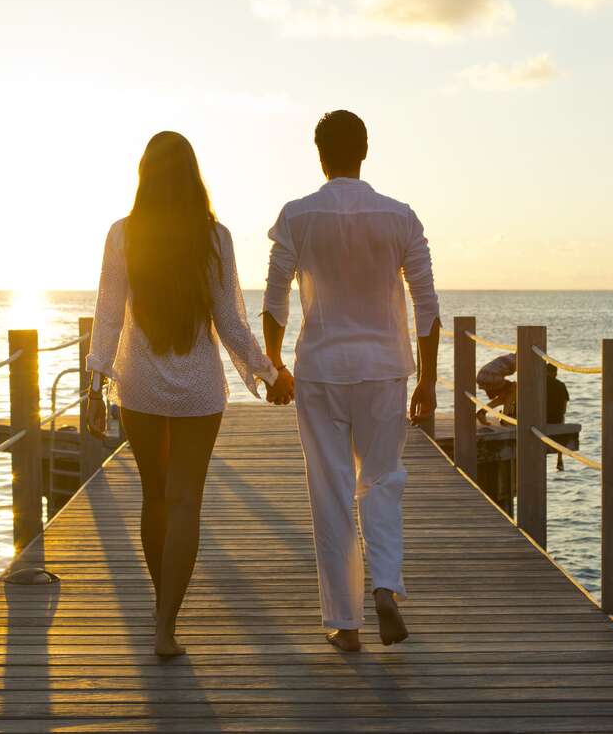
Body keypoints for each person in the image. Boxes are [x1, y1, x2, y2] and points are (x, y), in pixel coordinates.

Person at [84, 131, 294, 657]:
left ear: (144, 175)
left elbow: (108, 316)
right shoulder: (214, 237)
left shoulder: (123, 234)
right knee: (185, 502)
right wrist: (269, 373)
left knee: (154, 498)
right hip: (199, 390)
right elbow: (230, 322)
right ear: (193, 176)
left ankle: (163, 614)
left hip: (141, 387)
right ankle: (166, 621)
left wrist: (94, 381)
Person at [262, 110, 440, 652]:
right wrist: (428, 382)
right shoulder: (401, 218)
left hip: (320, 369)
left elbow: (274, 302)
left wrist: (274, 365)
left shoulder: (297, 217)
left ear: (321, 155)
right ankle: (385, 585)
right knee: (382, 480)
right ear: (365, 151)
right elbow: (427, 306)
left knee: (331, 489)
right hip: (385, 367)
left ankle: (346, 623)